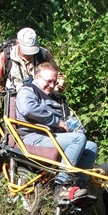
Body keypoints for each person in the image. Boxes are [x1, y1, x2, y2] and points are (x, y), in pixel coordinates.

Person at [15, 62, 98, 205]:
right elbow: (28, 109)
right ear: (37, 77)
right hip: (33, 138)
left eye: (54, 82)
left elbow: (68, 119)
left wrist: (74, 127)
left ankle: (77, 187)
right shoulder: (28, 91)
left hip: (52, 137)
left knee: (91, 146)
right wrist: (56, 122)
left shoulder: (55, 98)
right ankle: (62, 186)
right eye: (48, 81)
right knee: (78, 139)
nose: (52, 85)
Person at [0, 27, 59, 94]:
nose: (30, 54)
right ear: (17, 43)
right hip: (14, 97)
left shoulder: (44, 55)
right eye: (27, 50)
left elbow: (58, 76)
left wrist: (55, 89)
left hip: (41, 98)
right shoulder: (6, 56)